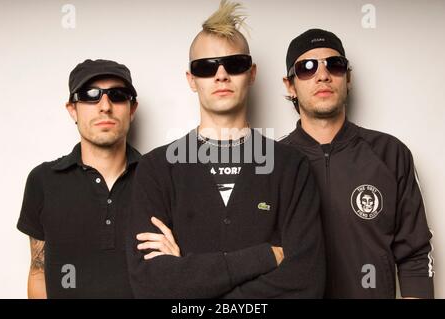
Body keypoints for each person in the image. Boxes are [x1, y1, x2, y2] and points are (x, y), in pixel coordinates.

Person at [126, 0, 325, 298]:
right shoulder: (155, 169)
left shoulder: (291, 167)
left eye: (234, 64)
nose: (221, 75)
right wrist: (265, 257)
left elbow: (306, 282)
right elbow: (150, 284)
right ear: (191, 80)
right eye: (206, 67)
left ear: (252, 73)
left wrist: (189, 281)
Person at [281, 28, 434, 298]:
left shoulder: (390, 154)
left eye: (334, 65)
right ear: (290, 85)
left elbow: (415, 254)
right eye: (307, 68)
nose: (323, 75)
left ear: (348, 78)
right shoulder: (272, 162)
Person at [17, 59, 140, 298]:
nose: (105, 106)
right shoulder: (43, 181)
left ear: (132, 108)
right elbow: (38, 273)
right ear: (72, 109)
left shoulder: (159, 179)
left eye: (117, 94)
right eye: (90, 95)